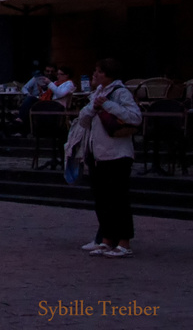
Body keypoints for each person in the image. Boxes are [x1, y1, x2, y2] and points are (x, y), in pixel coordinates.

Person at [76, 58, 141, 258]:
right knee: (102, 200)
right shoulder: (97, 93)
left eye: (98, 71)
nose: (95, 75)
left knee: (118, 199)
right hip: (98, 154)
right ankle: (106, 239)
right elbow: (83, 120)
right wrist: (93, 107)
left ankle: (123, 241)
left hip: (117, 154)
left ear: (107, 74)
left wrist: (108, 105)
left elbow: (135, 117)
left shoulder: (120, 93)